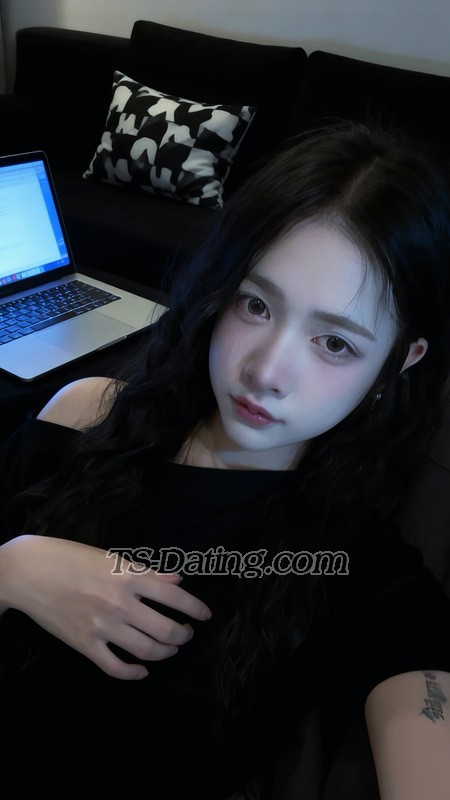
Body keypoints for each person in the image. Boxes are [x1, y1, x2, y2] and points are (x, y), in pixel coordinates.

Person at [1, 120, 450, 800]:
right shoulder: (83, 414)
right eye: (256, 305)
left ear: (399, 361)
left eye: (335, 343)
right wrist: (13, 568)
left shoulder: (356, 565)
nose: (265, 372)